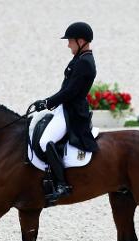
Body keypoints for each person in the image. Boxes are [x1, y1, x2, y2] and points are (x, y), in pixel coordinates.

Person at [33, 22, 99, 201]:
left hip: (72, 111)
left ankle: (62, 184)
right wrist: (48, 102)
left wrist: (48, 102)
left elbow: (70, 92)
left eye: (70, 40)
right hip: (66, 107)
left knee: (46, 140)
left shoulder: (85, 62)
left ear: (81, 41)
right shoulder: (80, 58)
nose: (68, 44)